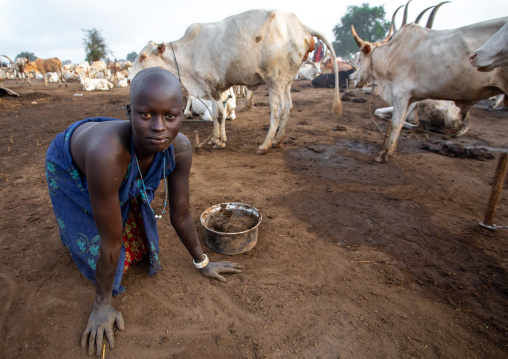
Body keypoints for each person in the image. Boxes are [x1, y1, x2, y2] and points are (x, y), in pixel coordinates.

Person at [45, 67, 241, 356]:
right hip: (71, 161)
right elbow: (110, 242)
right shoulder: (106, 155)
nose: (159, 127)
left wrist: (203, 262)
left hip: (117, 158)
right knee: (97, 233)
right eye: (146, 114)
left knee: (121, 206)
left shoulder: (181, 148)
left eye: (170, 116)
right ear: (129, 112)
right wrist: (103, 304)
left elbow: (181, 213)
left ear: (182, 115)